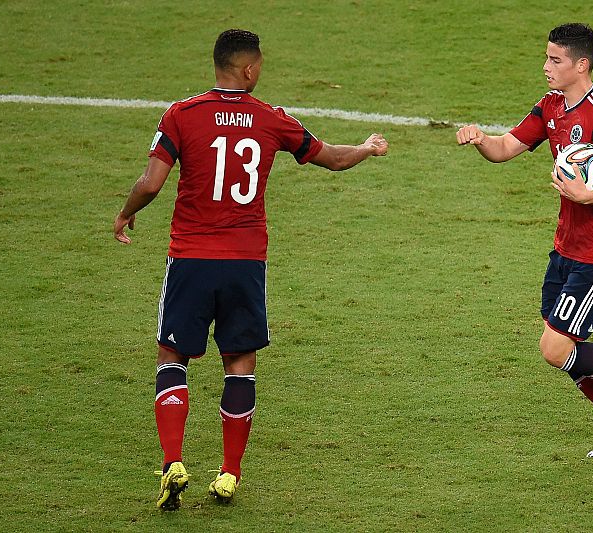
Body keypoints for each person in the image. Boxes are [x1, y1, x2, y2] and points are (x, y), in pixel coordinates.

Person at [113, 29, 388, 510]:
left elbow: (151, 183)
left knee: (172, 355)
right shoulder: (271, 118)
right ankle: (229, 474)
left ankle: (173, 461)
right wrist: (366, 148)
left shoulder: (181, 114)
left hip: (191, 260)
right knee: (239, 362)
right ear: (249, 69)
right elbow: (331, 158)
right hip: (244, 263)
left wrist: (125, 211)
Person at [456, 23, 593, 459]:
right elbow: (504, 148)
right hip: (564, 249)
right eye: (547, 57)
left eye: (555, 60)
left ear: (581, 65)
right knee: (565, 348)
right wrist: (480, 140)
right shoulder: (550, 106)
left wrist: (589, 195)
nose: (546, 66)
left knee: (556, 349)